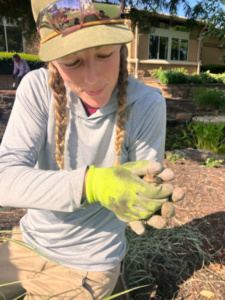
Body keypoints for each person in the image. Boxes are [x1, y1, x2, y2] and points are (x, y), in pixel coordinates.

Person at [0, 0, 184, 299]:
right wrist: (93, 183)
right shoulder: (35, 89)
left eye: (105, 55)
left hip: (88, 262)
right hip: (26, 242)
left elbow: (141, 185)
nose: (93, 78)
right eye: (71, 62)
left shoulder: (147, 103)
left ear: (122, 48)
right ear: (52, 61)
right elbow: (4, 178)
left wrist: (148, 198)